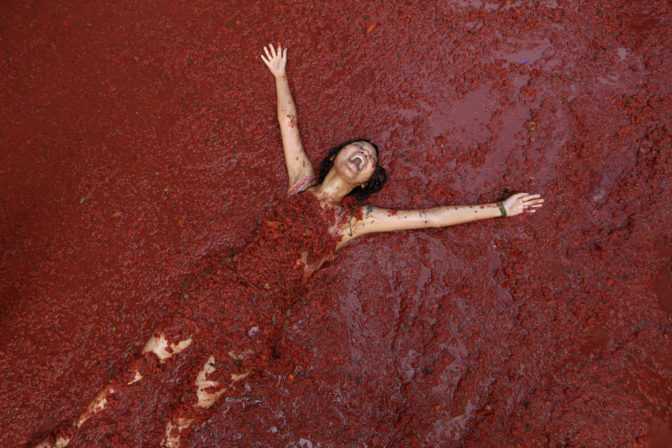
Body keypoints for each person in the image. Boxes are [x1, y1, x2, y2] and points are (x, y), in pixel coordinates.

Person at [36, 44, 543, 448]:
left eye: (368, 159)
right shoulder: (300, 182)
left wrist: (499, 208)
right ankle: (68, 437)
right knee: (137, 372)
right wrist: (280, 77)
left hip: (256, 324)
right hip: (220, 290)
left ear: (367, 181)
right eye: (356, 149)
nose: (362, 155)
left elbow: (428, 218)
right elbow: (289, 127)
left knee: (184, 420)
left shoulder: (354, 222)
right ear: (337, 156)